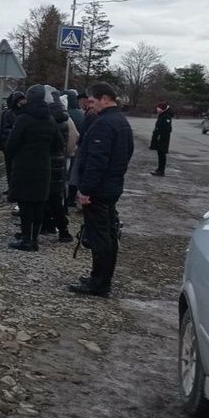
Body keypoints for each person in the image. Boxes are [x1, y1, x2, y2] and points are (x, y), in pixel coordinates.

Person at [70, 82, 134, 297]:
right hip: (112, 186)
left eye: (92, 101)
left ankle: (98, 283)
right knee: (108, 235)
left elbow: (96, 161)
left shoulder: (104, 124)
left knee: (99, 237)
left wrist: (85, 190)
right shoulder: (121, 122)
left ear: (105, 99)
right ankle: (101, 278)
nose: (89, 105)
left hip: (99, 190)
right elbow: (127, 153)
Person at [4, 85, 63, 252]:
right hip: (43, 167)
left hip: (24, 167)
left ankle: (26, 239)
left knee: (25, 204)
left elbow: (11, 144)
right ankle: (34, 239)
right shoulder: (50, 119)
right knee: (38, 204)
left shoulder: (23, 118)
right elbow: (58, 144)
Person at [41, 91, 74, 243]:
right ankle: (62, 230)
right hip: (59, 162)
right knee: (55, 198)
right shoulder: (65, 120)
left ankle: (50, 226)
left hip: (48, 163)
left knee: (47, 198)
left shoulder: (49, 121)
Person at [150, 101, 173, 176]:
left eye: (158, 109)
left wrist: (159, 134)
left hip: (163, 139)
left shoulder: (166, 116)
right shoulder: (162, 115)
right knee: (160, 153)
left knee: (162, 154)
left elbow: (167, 129)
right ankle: (159, 169)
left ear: (162, 109)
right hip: (160, 138)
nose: (157, 110)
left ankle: (161, 170)